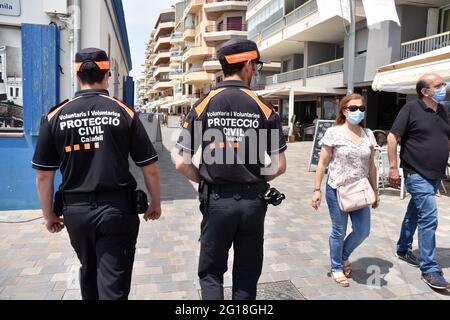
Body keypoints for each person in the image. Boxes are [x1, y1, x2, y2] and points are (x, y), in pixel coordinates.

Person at [32, 48, 162, 300]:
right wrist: (155, 202)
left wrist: (48, 214)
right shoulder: (124, 111)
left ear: (76, 74)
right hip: (117, 212)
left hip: (76, 214)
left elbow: (43, 176)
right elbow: (150, 168)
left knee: (89, 273)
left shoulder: (55, 116)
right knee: (113, 283)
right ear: (107, 74)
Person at [174, 39, 287, 300]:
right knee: (247, 275)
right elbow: (279, 165)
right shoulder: (265, 108)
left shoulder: (202, 106)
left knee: (212, 273)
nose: (255, 70)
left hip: (216, 201)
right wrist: (257, 179)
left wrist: (204, 180)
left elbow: (181, 162)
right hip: (252, 202)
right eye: (256, 65)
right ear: (247, 65)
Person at [388, 73, 450, 290]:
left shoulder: (442, 110)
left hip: (435, 173)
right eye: (439, 85)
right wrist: (393, 168)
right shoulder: (411, 109)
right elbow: (392, 137)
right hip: (416, 172)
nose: (444, 87)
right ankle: (430, 269)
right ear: (425, 91)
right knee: (429, 218)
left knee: (415, 212)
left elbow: (446, 138)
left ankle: (403, 248)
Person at [311, 93, 380, 287]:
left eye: (361, 108)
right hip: (337, 189)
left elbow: (372, 166)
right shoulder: (334, 133)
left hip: (360, 190)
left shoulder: (368, 134)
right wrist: (316, 190)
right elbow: (322, 162)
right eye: (353, 108)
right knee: (338, 231)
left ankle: (342, 256)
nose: (358, 112)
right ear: (344, 110)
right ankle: (336, 267)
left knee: (363, 230)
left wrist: (375, 191)